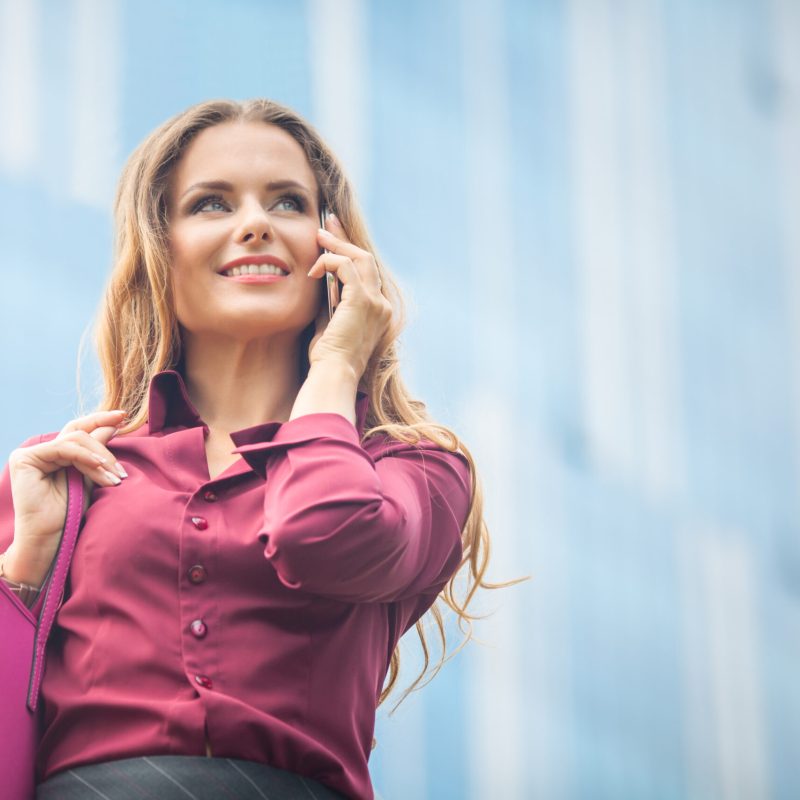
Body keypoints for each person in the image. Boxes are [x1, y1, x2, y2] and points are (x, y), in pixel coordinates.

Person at [0, 98, 506, 800]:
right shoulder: (64, 471)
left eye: (288, 203)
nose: (255, 224)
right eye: (211, 203)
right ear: (159, 247)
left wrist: (336, 366)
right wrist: (25, 569)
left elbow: (324, 534)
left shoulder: (416, 470)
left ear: (333, 248)